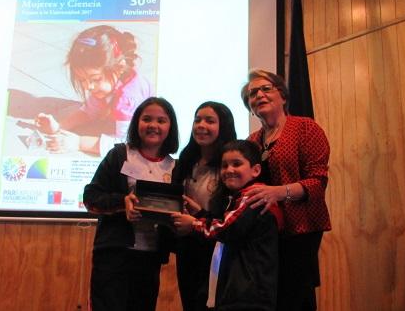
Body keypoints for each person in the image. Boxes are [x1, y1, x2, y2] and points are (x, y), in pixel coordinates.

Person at [240, 69, 331, 311]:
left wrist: (278, 192)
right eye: (252, 94)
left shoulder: (305, 128)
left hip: (301, 230)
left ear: (283, 96)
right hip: (265, 235)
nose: (259, 95)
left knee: (295, 297)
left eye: (266, 89)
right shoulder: (251, 141)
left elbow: (317, 183)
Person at [83, 97, 179, 311]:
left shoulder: (174, 167)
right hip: (114, 254)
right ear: (137, 123)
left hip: (150, 257)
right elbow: (91, 197)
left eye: (161, 121)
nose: (153, 125)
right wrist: (121, 203)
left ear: (170, 127)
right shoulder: (119, 155)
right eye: (147, 119)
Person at [172, 140, 283, 311]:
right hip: (245, 291)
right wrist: (202, 214)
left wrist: (193, 223)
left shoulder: (253, 196)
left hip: (248, 293)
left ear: (256, 170)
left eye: (237, 164)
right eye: (224, 165)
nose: (229, 170)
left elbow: (227, 229)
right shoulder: (238, 197)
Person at [36, 25, 153, 156]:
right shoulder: (106, 86)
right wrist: (58, 126)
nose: (88, 87)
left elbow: (128, 145)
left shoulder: (127, 99)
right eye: (82, 80)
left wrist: (79, 143)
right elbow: (89, 111)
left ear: (119, 68)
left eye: (95, 79)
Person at [172, 101, 237, 311]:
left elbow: (230, 215)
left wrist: (199, 217)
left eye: (210, 121)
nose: (201, 125)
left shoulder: (231, 165)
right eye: (197, 119)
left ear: (223, 126)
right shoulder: (185, 160)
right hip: (187, 247)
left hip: (217, 248)